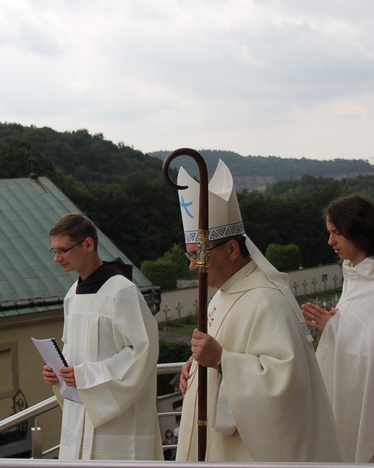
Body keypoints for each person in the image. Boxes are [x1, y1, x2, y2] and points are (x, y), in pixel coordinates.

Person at [174, 160, 343, 462]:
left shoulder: (266, 299)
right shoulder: (222, 294)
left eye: (199, 255)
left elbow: (285, 382)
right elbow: (224, 350)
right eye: (189, 256)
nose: (192, 267)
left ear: (232, 250)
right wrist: (196, 364)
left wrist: (220, 360)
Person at [42, 213, 163, 460]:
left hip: (117, 420)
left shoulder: (122, 292)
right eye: (53, 251)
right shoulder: (72, 295)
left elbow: (142, 352)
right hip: (79, 412)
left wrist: (86, 375)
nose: (56, 258)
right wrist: (58, 371)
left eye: (63, 250)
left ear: (88, 244)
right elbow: (72, 348)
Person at [301, 194, 374, 463]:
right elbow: (359, 329)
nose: (331, 241)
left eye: (337, 232)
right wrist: (335, 325)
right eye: (330, 233)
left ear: (358, 231)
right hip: (350, 394)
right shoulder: (354, 274)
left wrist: (336, 326)